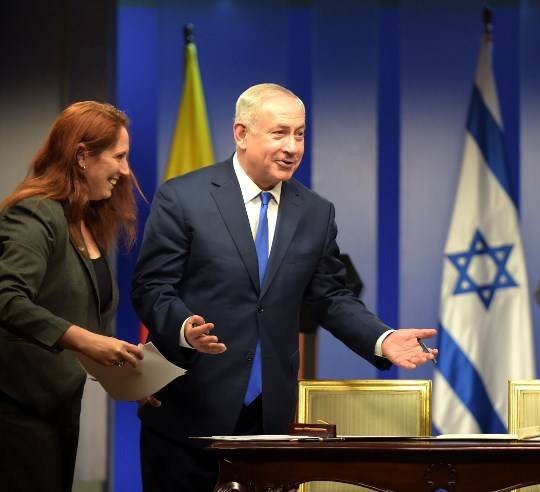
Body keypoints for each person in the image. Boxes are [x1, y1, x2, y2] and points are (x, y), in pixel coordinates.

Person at [132, 83, 438, 492]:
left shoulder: (314, 211)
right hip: (188, 416)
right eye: (279, 133)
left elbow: (330, 296)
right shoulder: (182, 197)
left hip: (271, 423)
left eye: (299, 133)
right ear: (241, 134)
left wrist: (381, 339)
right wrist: (184, 327)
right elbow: (151, 286)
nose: (292, 146)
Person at [0, 101, 145, 492]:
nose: (126, 170)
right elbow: (7, 298)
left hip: (60, 410)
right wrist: (86, 340)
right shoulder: (35, 214)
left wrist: (132, 377)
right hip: (17, 413)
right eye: (119, 157)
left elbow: (81, 320)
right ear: (83, 156)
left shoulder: (86, 223)